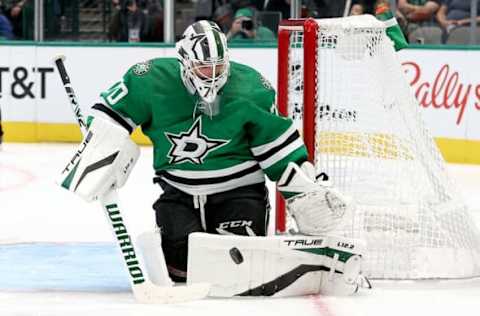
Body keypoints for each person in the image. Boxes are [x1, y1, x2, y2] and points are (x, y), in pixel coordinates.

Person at [60, 20, 368, 296]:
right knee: (180, 267)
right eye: (204, 68)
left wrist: (305, 186)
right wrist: (99, 144)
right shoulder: (149, 80)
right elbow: (110, 115)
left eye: (219, 67)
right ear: (184, 62)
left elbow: (279, 148)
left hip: (239, 191)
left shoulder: (250, 87)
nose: (213, 75)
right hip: (179, 193)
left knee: (238, 271)